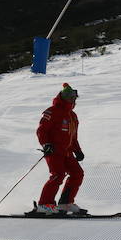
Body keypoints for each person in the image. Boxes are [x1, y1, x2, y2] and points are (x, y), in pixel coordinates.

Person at [36, 83, 86, 214]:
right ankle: (44, 205)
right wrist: (45, 144)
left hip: (67, 152)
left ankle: (65, 203)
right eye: (71, 98)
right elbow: (42, 130)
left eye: (75, 98)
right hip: (54, 151)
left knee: (77, 173)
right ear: (64, 97)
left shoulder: (73, 116)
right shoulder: (52, 111)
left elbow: (73, 136)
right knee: (58, 175)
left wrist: (78, 150)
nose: (73, 100)